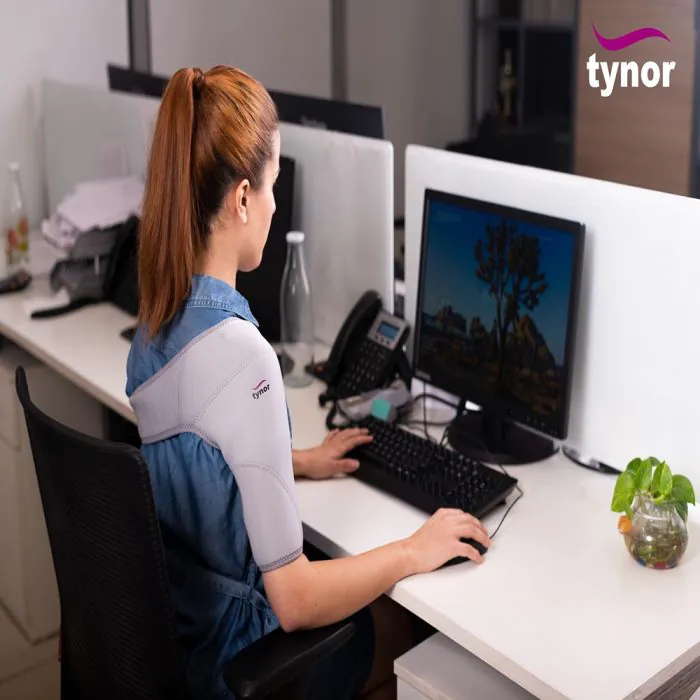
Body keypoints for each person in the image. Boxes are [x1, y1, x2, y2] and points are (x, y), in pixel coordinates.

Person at [126, 65, 490, 700]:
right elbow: (293, 601)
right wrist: (413, 548)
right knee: (402, 626)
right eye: (271, 185)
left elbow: (199, 450)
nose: (275, 204)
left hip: (178, 636)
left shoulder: (154, 326)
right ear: (242, 198)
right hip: (234, 658)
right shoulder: (243, 357)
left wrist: (293, 460)